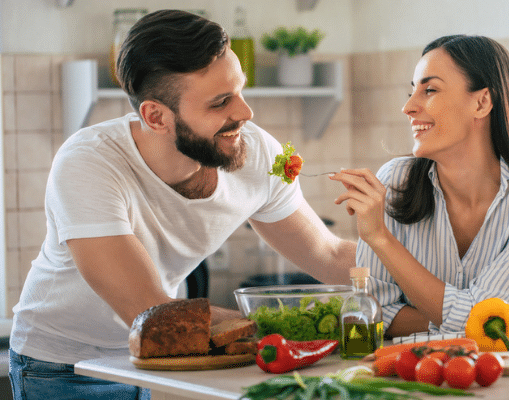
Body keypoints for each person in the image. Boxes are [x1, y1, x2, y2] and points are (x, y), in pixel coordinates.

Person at [8, 10, 355, 400]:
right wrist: (295, 323)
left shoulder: (254, 152)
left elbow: (329, 254)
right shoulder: (89, 162)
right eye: (220, 102)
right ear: (155, 116)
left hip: (166, 359)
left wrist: (422, 276)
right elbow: (149, 309)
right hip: (64, 367)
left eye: (240, 91)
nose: (244, 112)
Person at [331, 35, 509, 340]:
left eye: (429, 90)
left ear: (482, 102)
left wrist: (380, 238)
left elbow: (480, 316)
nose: (408, 107)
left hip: (503, 380)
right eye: (412, 91)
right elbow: (375, 313)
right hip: (411, 377)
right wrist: (463, 323)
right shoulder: (394, 182)